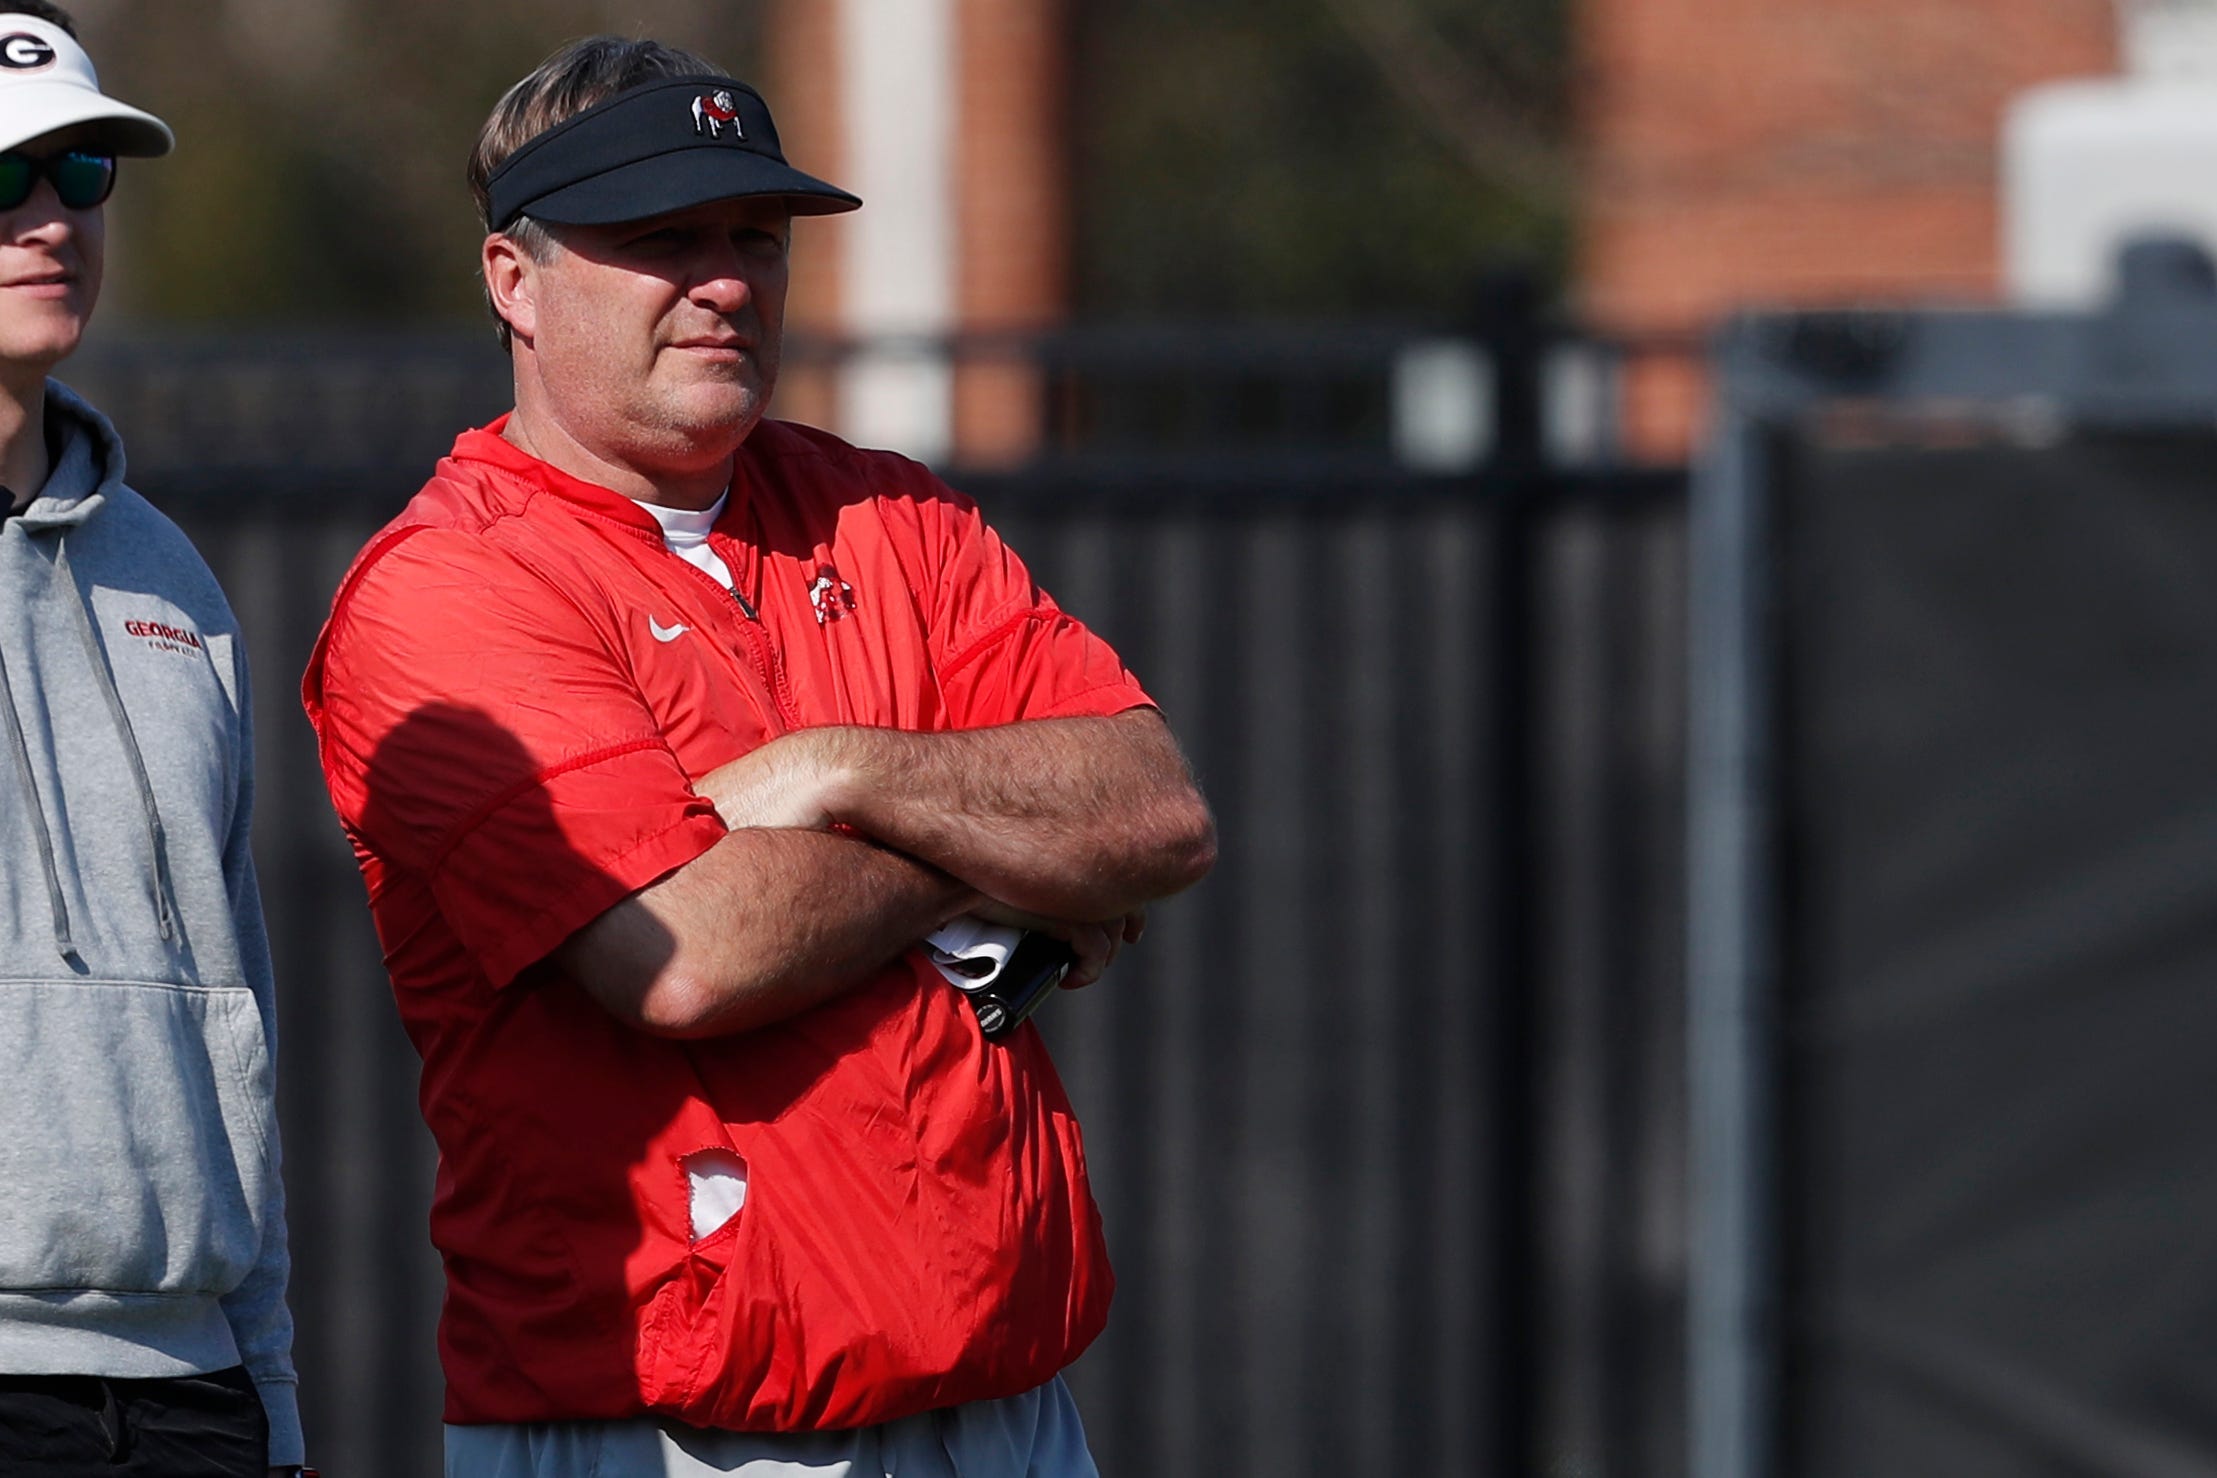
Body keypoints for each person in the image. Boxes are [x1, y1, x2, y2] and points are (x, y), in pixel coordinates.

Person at [301, 33, 1216, 1478]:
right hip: (677, 1430)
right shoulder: (451, 586)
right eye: (662, 237)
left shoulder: (881, 511)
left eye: (753, 237)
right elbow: (689, 952)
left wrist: (843, 771)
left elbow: (1156, 815)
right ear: (512, 281)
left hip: (1008, 1402)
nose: (725, 280)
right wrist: (980, 861)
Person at [0, 5, 306, 1477]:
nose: (50, 219)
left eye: (81, 176)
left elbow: (231, 1003)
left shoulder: (169, 574)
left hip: (192, 1395)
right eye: (4, 181)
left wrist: (277, 1400)